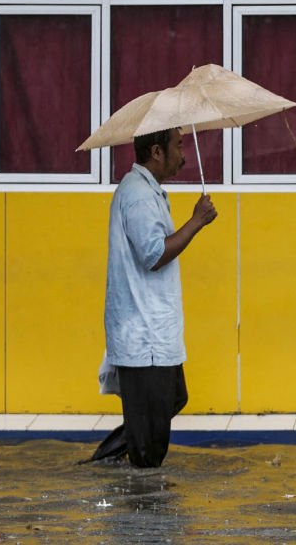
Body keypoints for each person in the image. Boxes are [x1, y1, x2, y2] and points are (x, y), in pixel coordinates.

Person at [85, 127, 217, 467]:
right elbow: (154, 254)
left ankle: (108, 461)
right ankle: (140, 505)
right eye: (179, 145)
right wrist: (196, 222)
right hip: (145, 338)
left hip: (153, 332)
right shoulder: (139, 196)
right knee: (150, 444)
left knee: (173, 399)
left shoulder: (148, 191)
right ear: (157, 152)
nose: (184, 154)